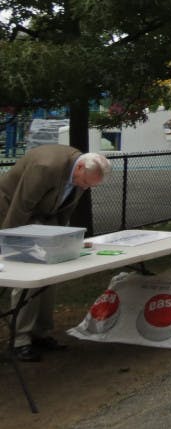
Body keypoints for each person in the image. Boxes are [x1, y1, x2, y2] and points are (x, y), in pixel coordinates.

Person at [1, 145, 111, 361]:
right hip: (11, 211)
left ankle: (40, 333)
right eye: (86, 183)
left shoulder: (83, 174)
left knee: (50, 270)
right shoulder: (45, 167)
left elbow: (66, 208)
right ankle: (20, 340)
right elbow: (21, 206)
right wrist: (8, 243)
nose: (86, 188)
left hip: (42, 214)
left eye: (91, 186)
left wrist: (60, 240)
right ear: (79, 168)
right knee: (28, 272)